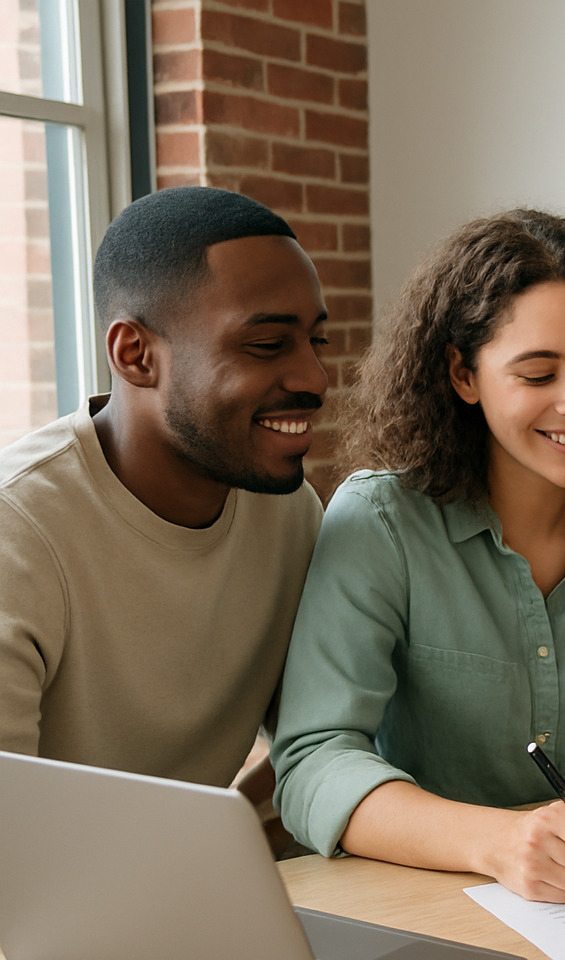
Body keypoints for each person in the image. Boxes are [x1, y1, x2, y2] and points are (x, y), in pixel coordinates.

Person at [272, 210, 565, 904]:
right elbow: (312, 762)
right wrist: (500, 844)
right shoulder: (381, 524)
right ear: (463, 374)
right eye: (539, 374)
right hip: (418, 899)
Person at [0, 187, 327, 794]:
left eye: (317, 340)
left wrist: (230, 842)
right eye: (266, 344)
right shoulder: (16, 533)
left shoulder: (288, 515)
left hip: (183, 883)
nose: (315, 377)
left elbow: (321, 748)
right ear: (135, 355)